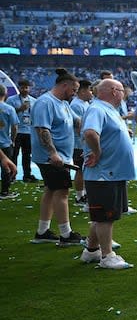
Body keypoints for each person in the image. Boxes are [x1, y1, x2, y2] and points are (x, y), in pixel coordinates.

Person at [79, 79, 135, 270]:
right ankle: (107, 256)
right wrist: (97, 152)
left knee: (101, 214)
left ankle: (92, 250)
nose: (124, 93)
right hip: (104, 173)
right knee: (105, 216)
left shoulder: (108, 109)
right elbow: (90, 133)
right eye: (121, 90)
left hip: (112, 172)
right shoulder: (97, 108)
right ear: (113, 91)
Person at [30, 68, 83, 247]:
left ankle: (42, 231)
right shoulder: (45, 102)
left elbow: (78, 122)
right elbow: (42, 130)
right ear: (64, 85)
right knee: (62, 192)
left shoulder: (64, 103)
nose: (74, 94)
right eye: (73, 90)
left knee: (50, 191)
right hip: (51, 158)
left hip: (61, 156)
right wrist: (53, 153)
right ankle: (66, 234)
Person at [7, 78, 37, 182]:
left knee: (27, 155)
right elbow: (8, 114)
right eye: (22, 87)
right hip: (16, 131)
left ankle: (27, 175)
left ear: (29, 88)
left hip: (28, 131)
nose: (24, 89)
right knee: (14, 154)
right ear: (19, 88)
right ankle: (12, 175)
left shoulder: (34, 101)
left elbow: (36, 116)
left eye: (26, 87)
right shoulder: (11, 100)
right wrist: (20, 109)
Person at [69, 79, 93, 205]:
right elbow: (78, 126)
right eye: (90, 90)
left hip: (83, 143)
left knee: (84, 169)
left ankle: (83, 193)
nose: (91, 93)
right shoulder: (76, 105)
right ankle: (79, 196)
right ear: (82, 91)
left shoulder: (85, 104)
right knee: (80, 169)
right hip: (79, 144)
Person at [0, 84, 20, 199]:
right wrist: (12, 140)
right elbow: (14, 127)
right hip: (5, 143)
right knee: (6, 168)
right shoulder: (9, 108)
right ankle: (5, 191)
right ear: (5, 94)